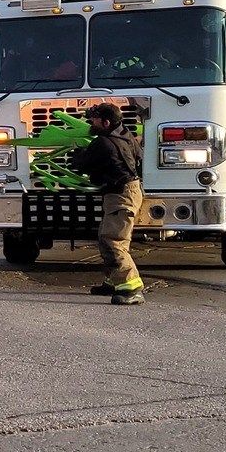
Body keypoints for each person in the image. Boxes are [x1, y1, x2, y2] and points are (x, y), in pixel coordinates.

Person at [74, 100, 145, 306]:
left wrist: (77, 155)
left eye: (94, 120)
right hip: (128, 191)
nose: (90, 124)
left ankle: (132, 288)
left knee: (113, 240)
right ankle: (114, 282)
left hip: (120, 195)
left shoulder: (103, 143)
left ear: (105, 123)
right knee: (109, 237)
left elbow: (83, 164)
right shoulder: (126, 135)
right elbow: (138, 157)